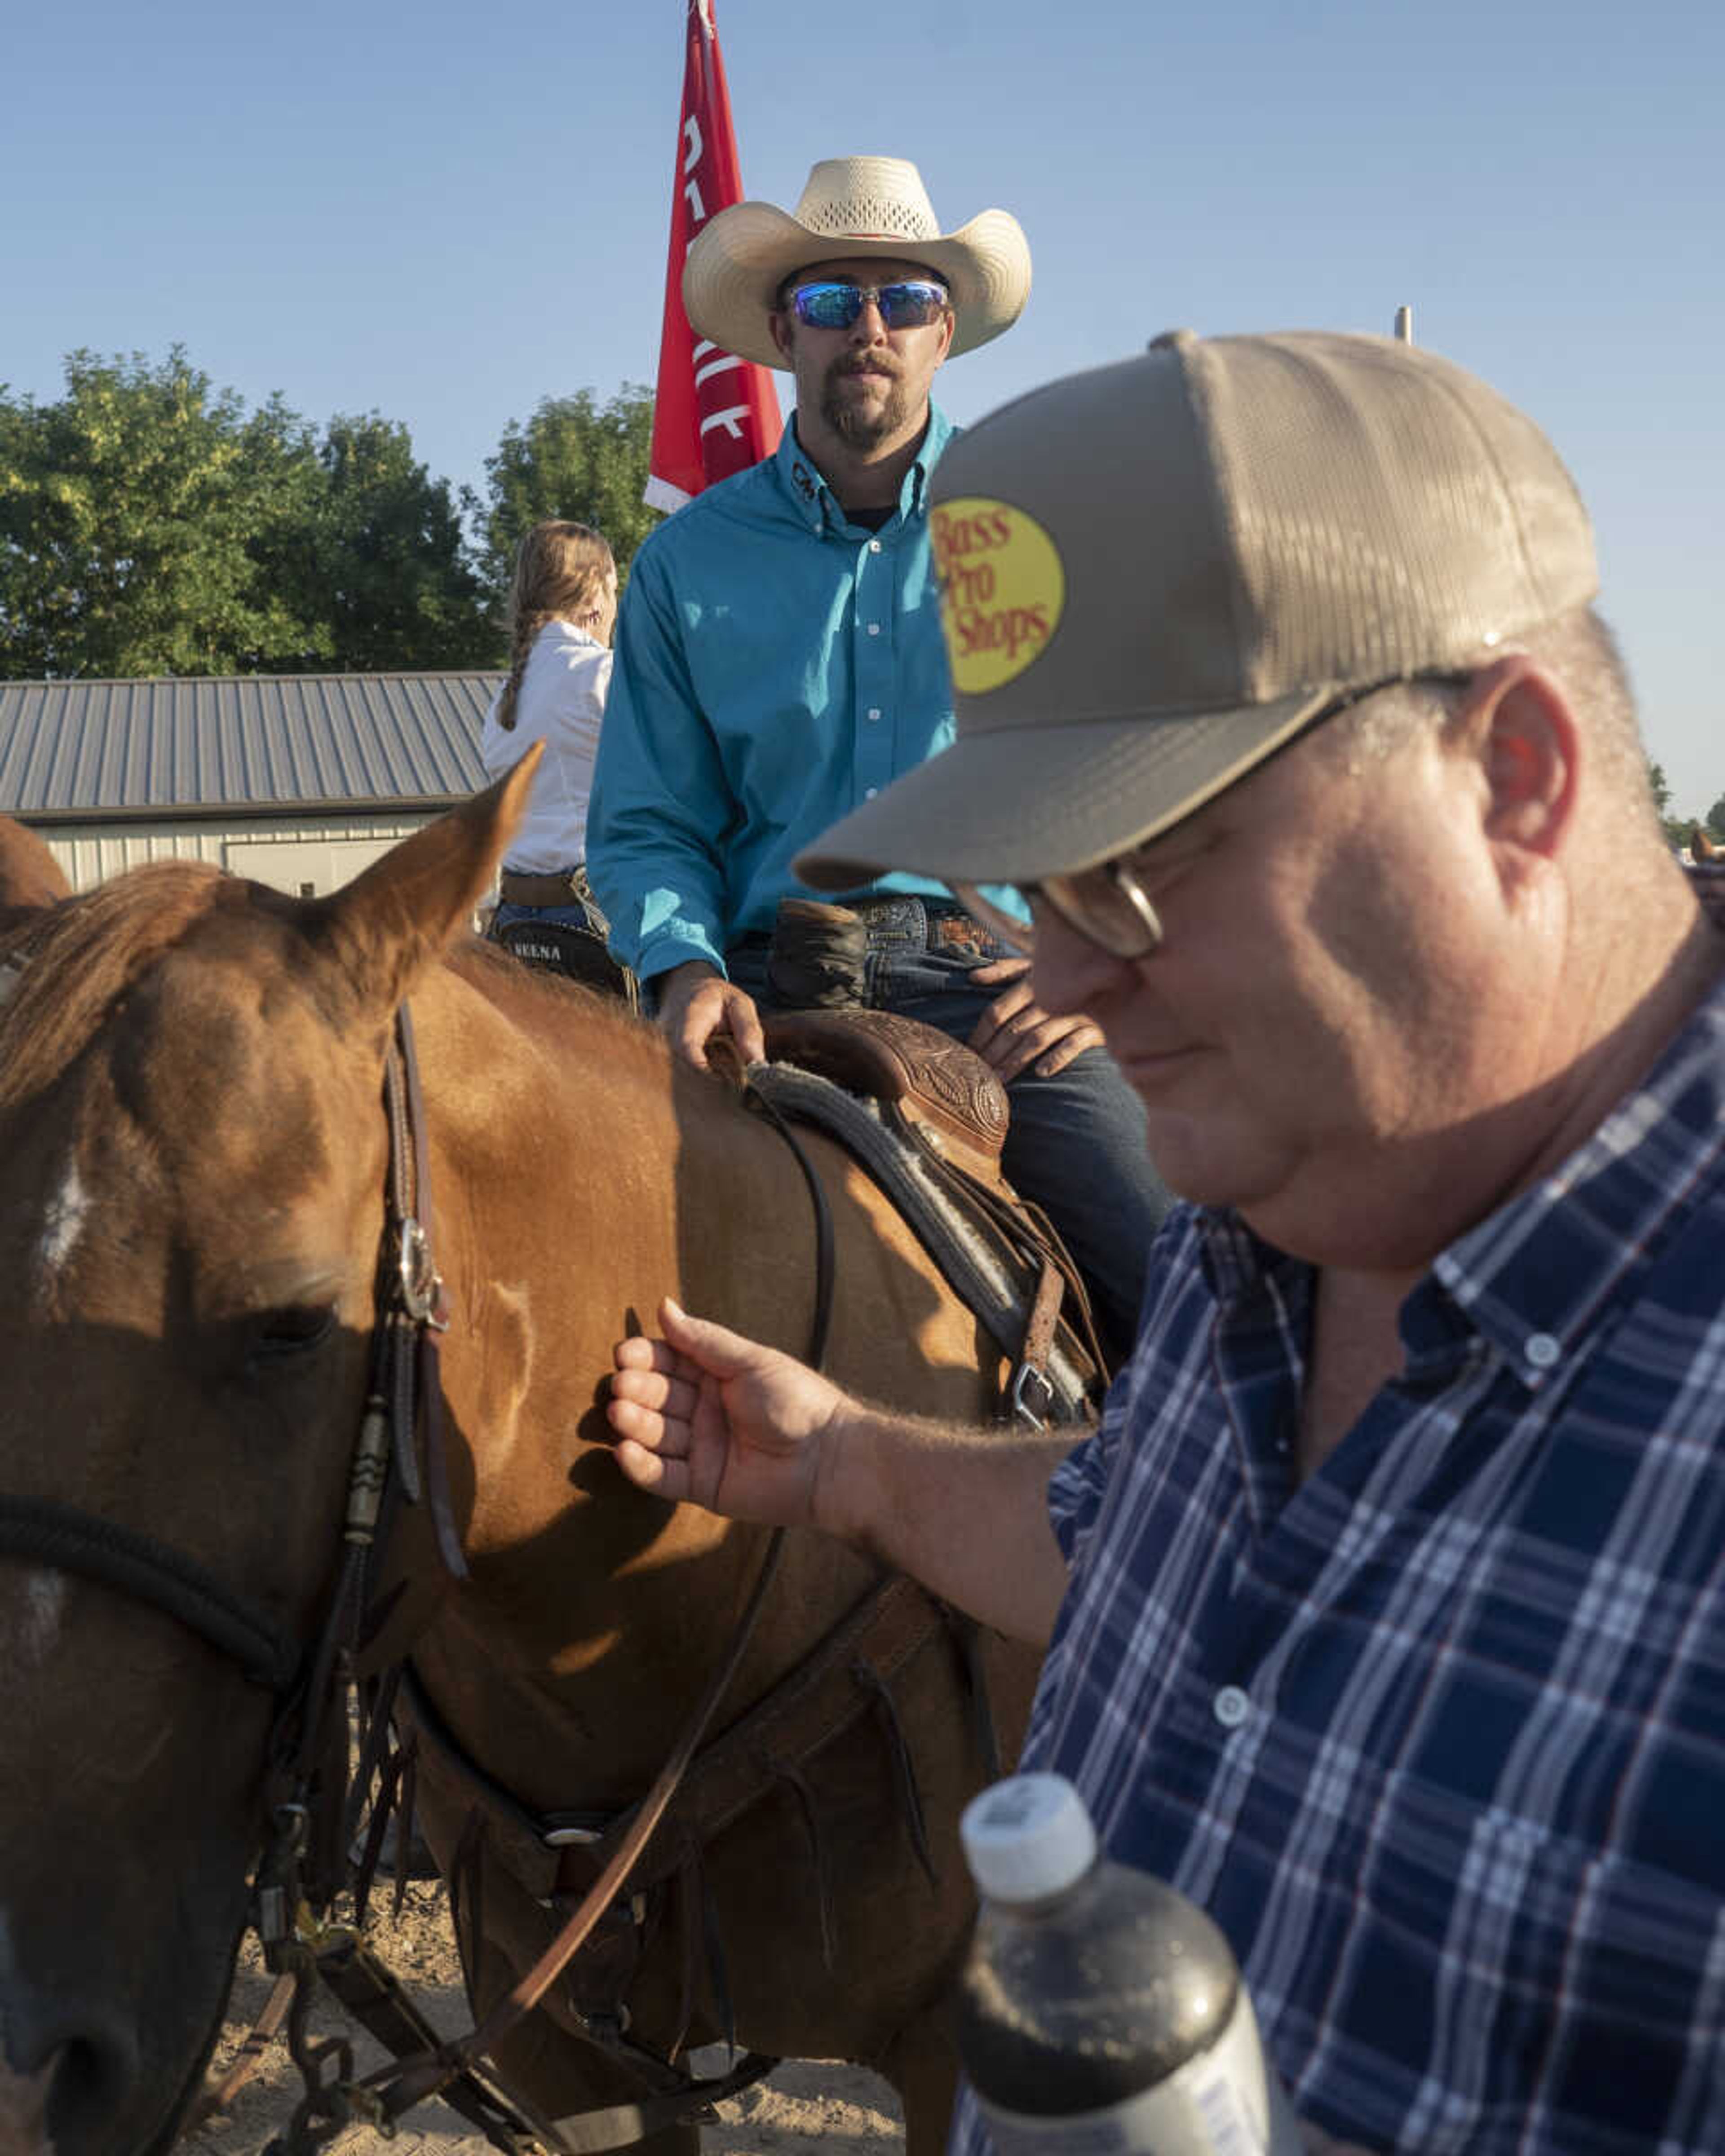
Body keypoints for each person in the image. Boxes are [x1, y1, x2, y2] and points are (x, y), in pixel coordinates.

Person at [605, 330, 1725, 2153]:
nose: (1059, 976)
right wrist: (856, 1470)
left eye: (1138, 871)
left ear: (1515, 777)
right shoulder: (1268, 1216)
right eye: (1041, 892)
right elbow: (1155, 1552)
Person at [585, 155, 1167, 1358]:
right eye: (829, 302)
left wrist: (1106, 963)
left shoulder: (1042, 530)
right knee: (574, 1281)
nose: (868, 329)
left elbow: (1136, 774)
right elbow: (650, 824)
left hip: (1000, 996)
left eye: (901, 299)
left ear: (944, 327)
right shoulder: (687, 566)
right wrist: (684, 972)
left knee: (1193, 1279)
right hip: (759, 988)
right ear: (779, 333)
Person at [482, 519, 618, 941]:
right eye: (615, 590)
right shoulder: (603, 675)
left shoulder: (504, 699)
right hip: (595, 917)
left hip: (518, 920)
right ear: (594, 595)